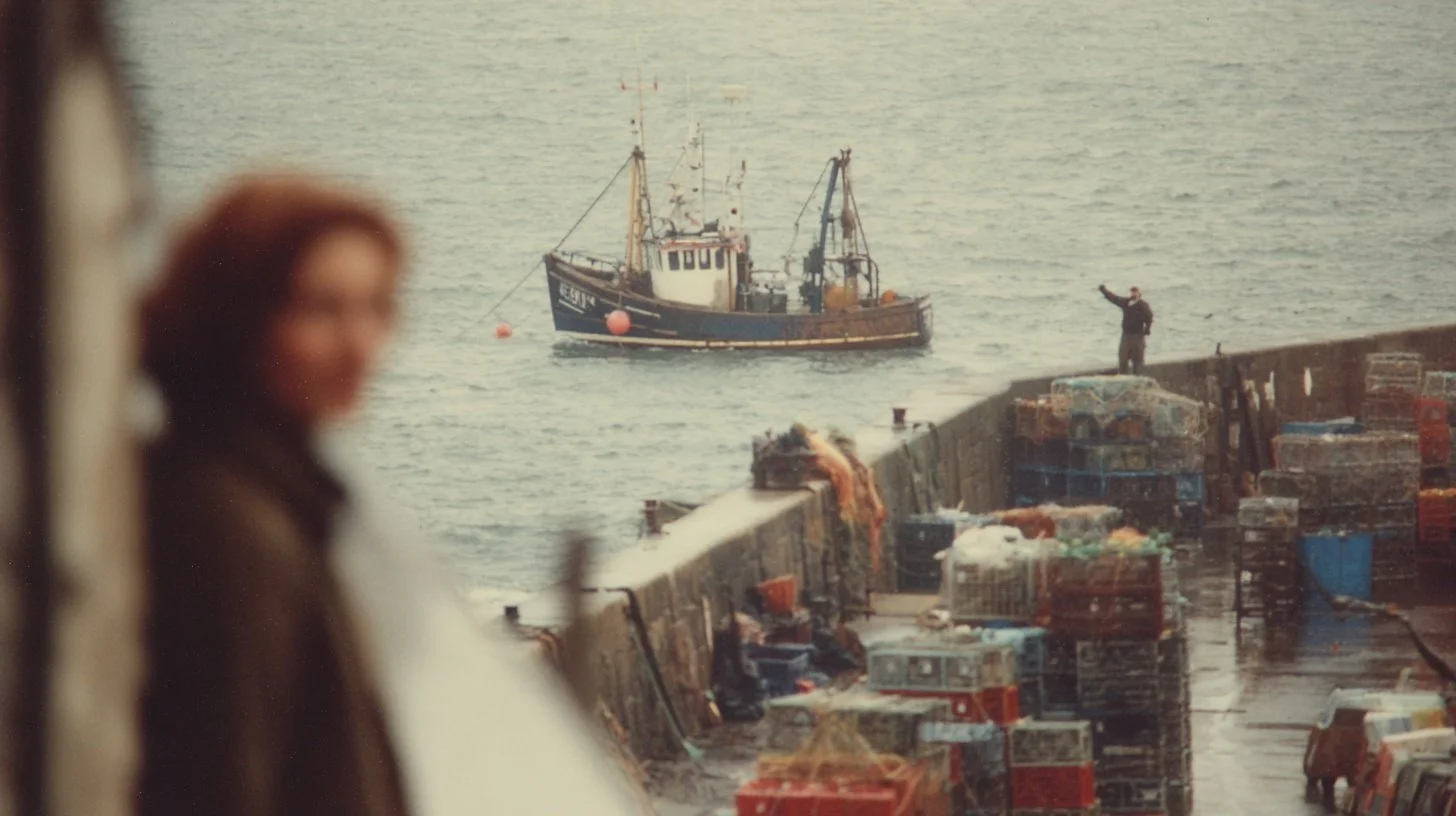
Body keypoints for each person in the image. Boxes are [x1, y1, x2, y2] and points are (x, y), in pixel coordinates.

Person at [137, 172, 411, 816]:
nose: (360, 346)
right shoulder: (230, 528)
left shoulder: (265, 490)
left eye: (376, 307)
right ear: (238, 317)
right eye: (321, 309)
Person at [1098, 284, 1154, 375]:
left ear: (1139, 294)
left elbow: (1149, 317)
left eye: (1135, 292)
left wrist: (1147, 329)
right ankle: (1123, 375)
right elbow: (1114, 299)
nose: (1133, 294)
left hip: (1138, 336)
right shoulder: (1126, 303)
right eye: (1132, 292)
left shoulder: (1143, 305)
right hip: (1126, 335)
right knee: (1123, 357)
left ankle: (1138, 377)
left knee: (1138, 360)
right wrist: (1104, 291)